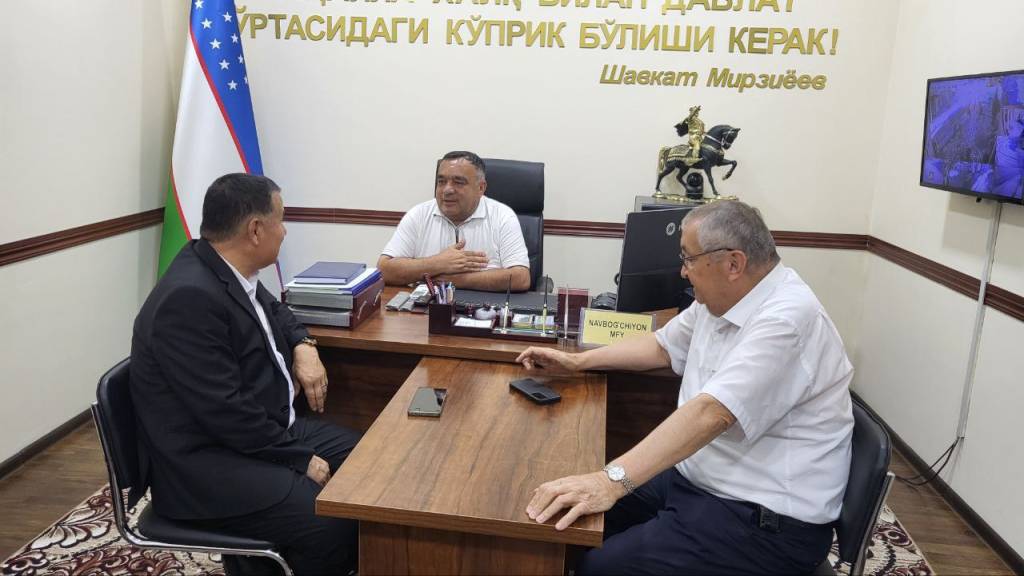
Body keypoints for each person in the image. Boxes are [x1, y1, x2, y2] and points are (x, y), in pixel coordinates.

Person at [516, 200, 853, 575]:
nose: (682, 271)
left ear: (733, 264)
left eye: (689, 259)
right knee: (568, 524)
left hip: (764, 517)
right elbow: (662, 346)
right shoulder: (723, 300)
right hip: (700, 478)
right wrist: (578, 362)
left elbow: (712, 413)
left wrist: (611, 480)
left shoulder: (787, 319)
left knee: (601, 567)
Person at [130, 173, 362, 575]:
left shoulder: (222, 266)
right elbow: (225, 411)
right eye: (281, 220)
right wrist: (299, 458)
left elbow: (276, 310)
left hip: (257, 433)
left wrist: (303, 345)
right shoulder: (188, 298)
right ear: (255, 230)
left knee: (367, 465)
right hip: (206, 464)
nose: (285, 231)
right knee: (333, 521)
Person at [378, 151, 531, 292]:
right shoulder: (419, 214)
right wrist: (438, 263)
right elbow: (383, 270)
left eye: (458, 182)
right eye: (441, 181)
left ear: (480, 188)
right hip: (426, 307)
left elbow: (521, 278)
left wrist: (456, 280)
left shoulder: (502, 217)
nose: (447, 190)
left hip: (484, 307)